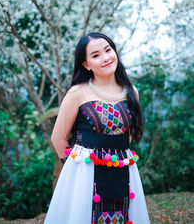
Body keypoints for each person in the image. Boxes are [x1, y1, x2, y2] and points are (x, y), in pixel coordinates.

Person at [44, 32, 150, 224]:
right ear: (86, 64)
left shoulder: (132, 92)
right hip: (85, 174)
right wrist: (77, 171)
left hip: (122, 170)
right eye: (95, 55)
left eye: (108, 50)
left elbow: (126, 138)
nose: (105, 57)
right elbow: (58, 138)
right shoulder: (78, 93)